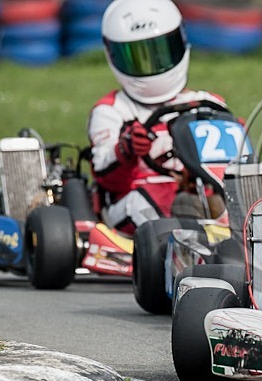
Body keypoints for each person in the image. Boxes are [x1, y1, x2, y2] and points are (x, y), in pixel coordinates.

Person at [88, 0, 228, 234]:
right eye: (137, 56)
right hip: (135, 200)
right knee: (146, 201)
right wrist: (126, 150)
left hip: (199, 196)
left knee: (228, 201)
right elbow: (105, 175)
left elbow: (233, 163)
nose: (151, 65)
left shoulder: (208, 104)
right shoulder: (111, 110)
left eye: (160, 52)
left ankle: (248, 244)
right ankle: (175, 247)